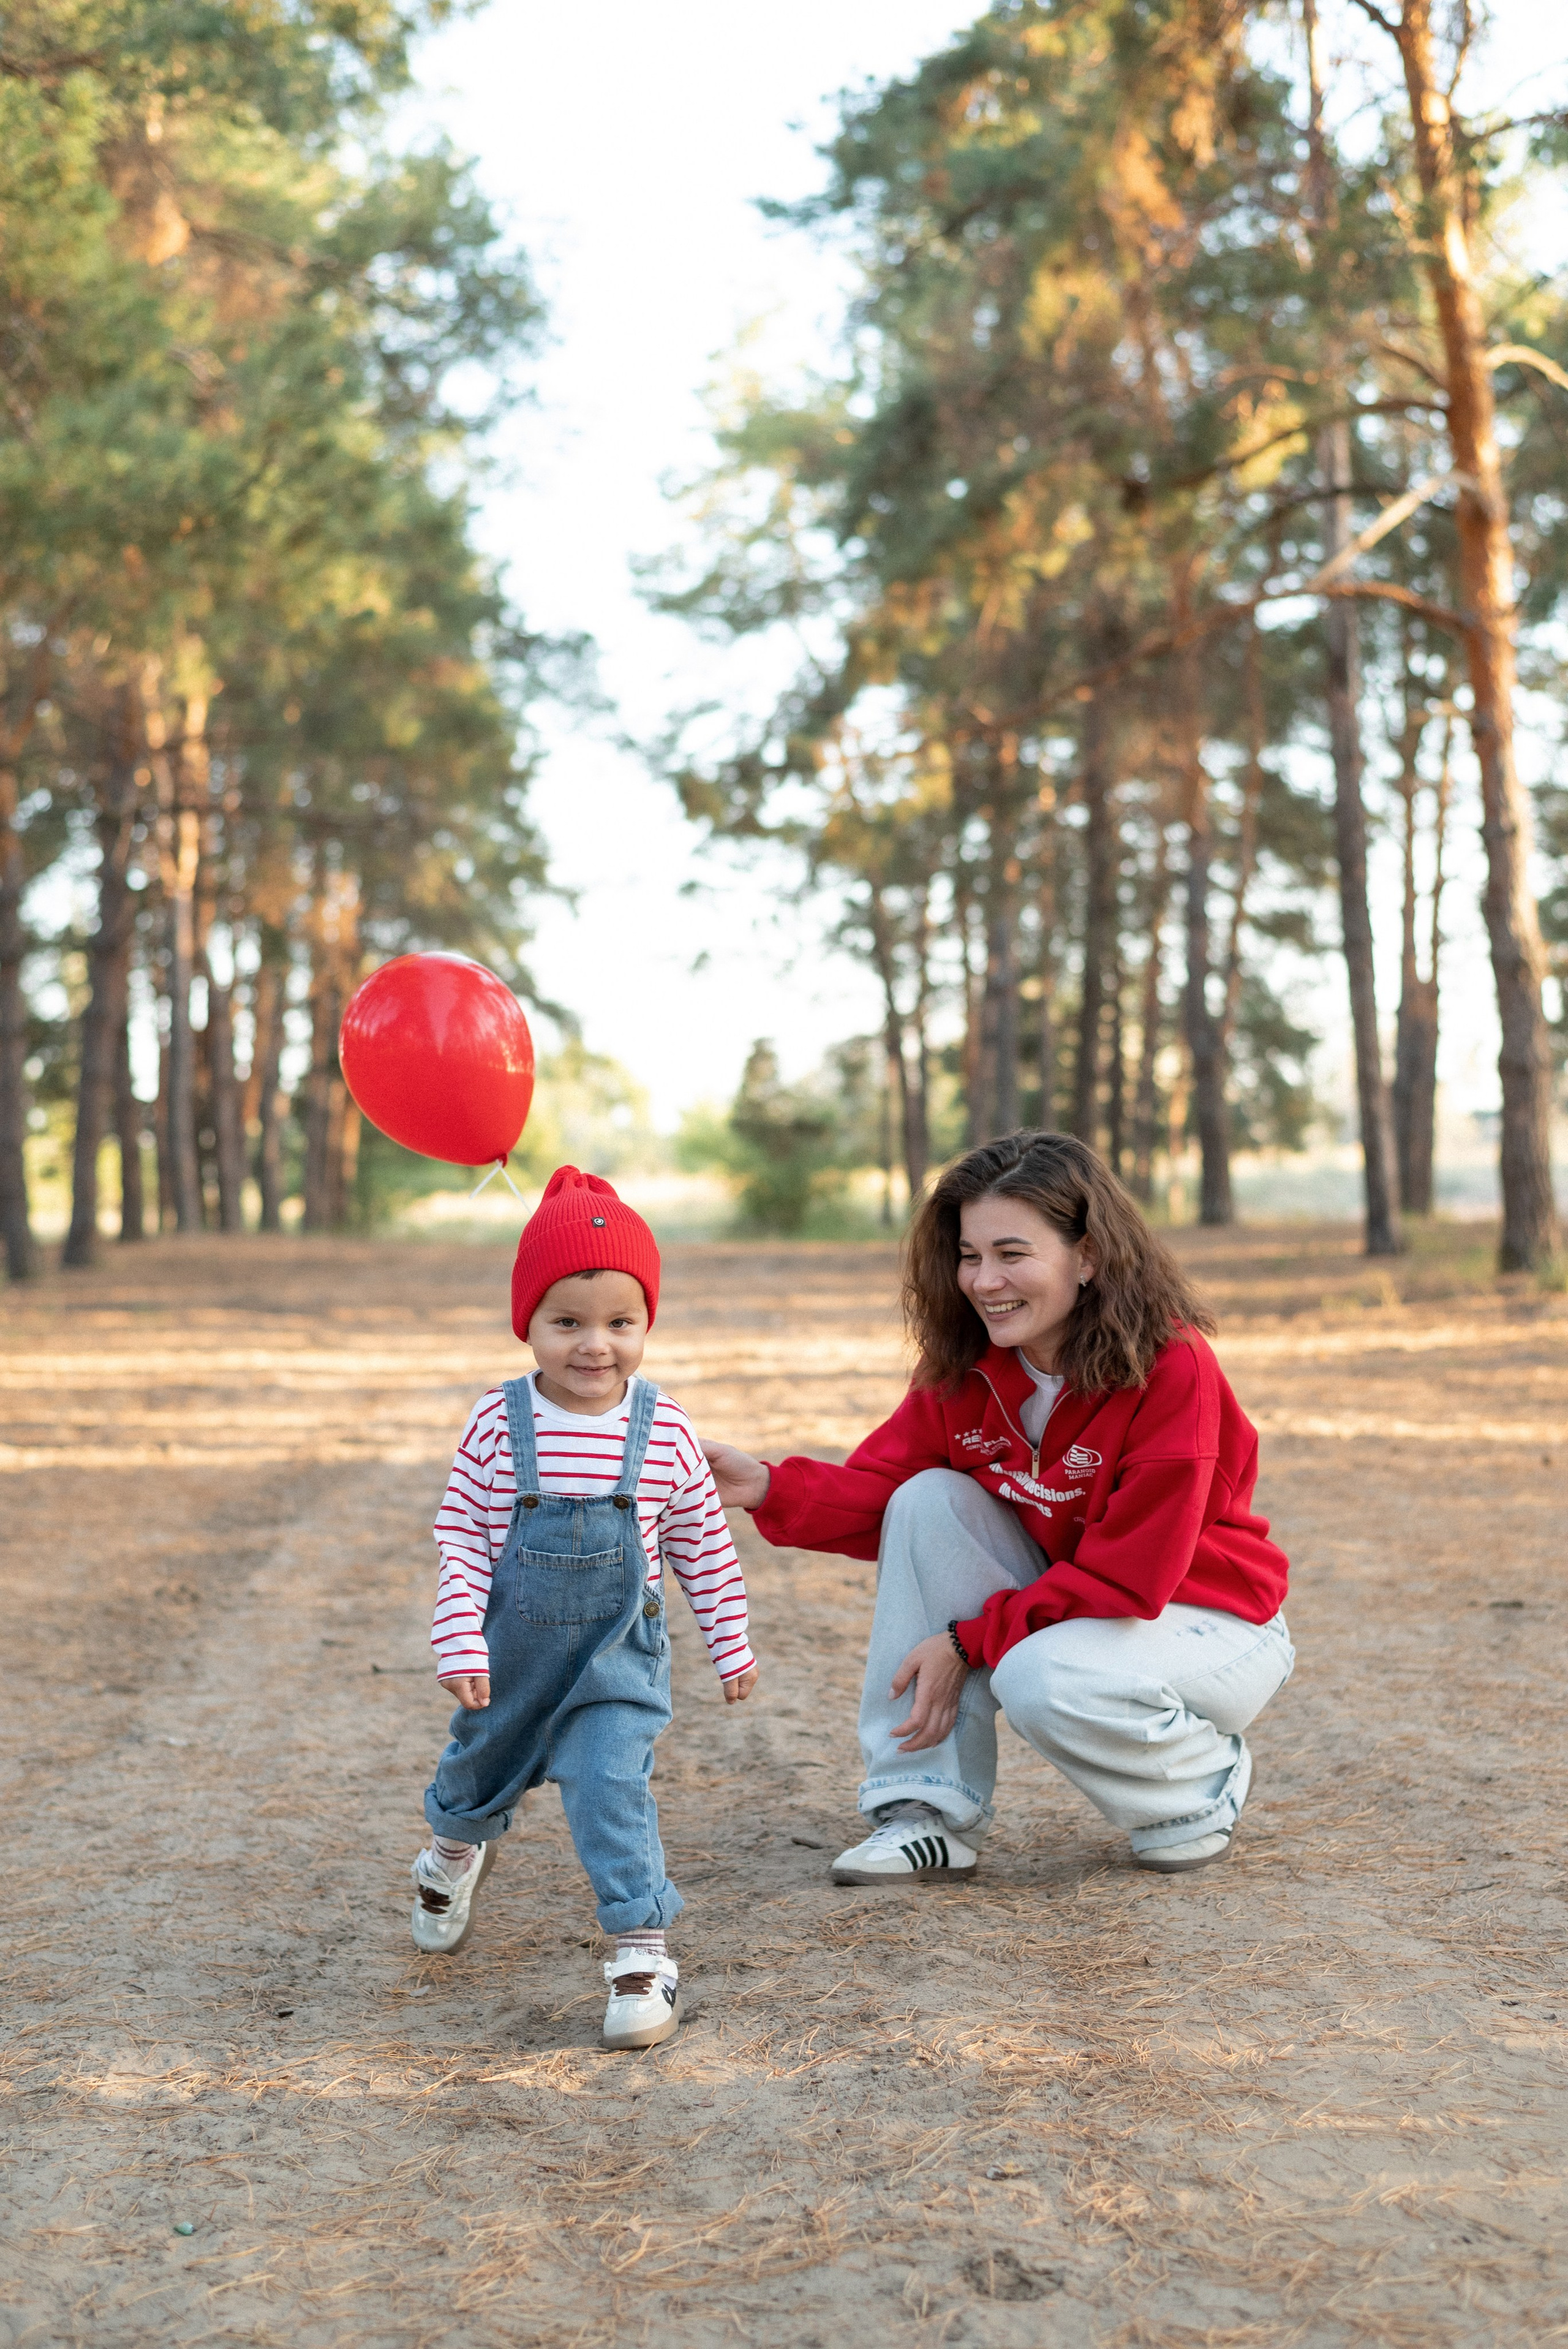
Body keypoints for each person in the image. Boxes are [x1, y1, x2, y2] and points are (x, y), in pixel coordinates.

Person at [703, 1132, 1291, 1883]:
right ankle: (924, 1807)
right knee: (927, 1499)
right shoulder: (965, 1366)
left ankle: (1200, 1786)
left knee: (1038, 1676)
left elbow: (1131, 1577)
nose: (984, 1282)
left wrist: (968, 1642)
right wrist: (766, 1486)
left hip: (1210, 1621)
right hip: (1076, 1608)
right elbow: (886, 1492)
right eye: (969, 1255)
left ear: (1087, 1256)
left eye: (1012, 1254)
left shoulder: (1171, 1367)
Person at [412, 1165, 759, 2048]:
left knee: (611, 1787)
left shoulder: (664, 1427)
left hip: (616, 1660)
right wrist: (460, 1639)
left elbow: (699, 1540)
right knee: (477, 1775)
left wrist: (730, 1640)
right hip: (513, 1655)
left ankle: (641, 1951)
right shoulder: (499, 1422)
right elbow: (463, 1536)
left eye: (619, 1322)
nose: (594, 1345)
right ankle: (453, 1850)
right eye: (566, 1322)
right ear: (526, 1322)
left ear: (647, 1322)